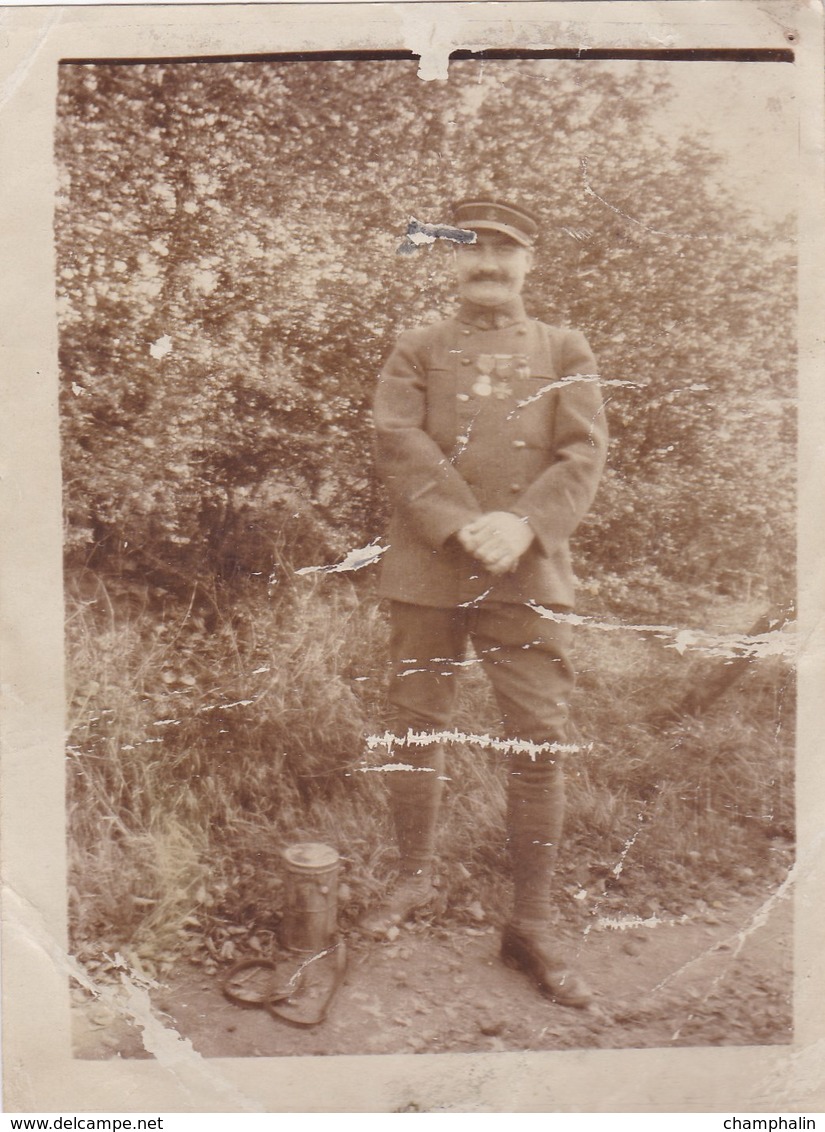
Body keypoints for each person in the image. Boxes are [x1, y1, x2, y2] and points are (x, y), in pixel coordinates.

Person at [364, 198, 608, 1009]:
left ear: (528, 263)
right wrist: (465, 524)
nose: (487, 264)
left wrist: (523, 524)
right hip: (431, 564)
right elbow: (398, 440)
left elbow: (582, 452)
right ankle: (410, 881)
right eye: (469, 249)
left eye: (503, 251)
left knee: (538, 739)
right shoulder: (417, 346)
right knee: (413, 724)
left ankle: (530, 924)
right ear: (447, 261)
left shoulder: (563, 347)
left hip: (524, 570)